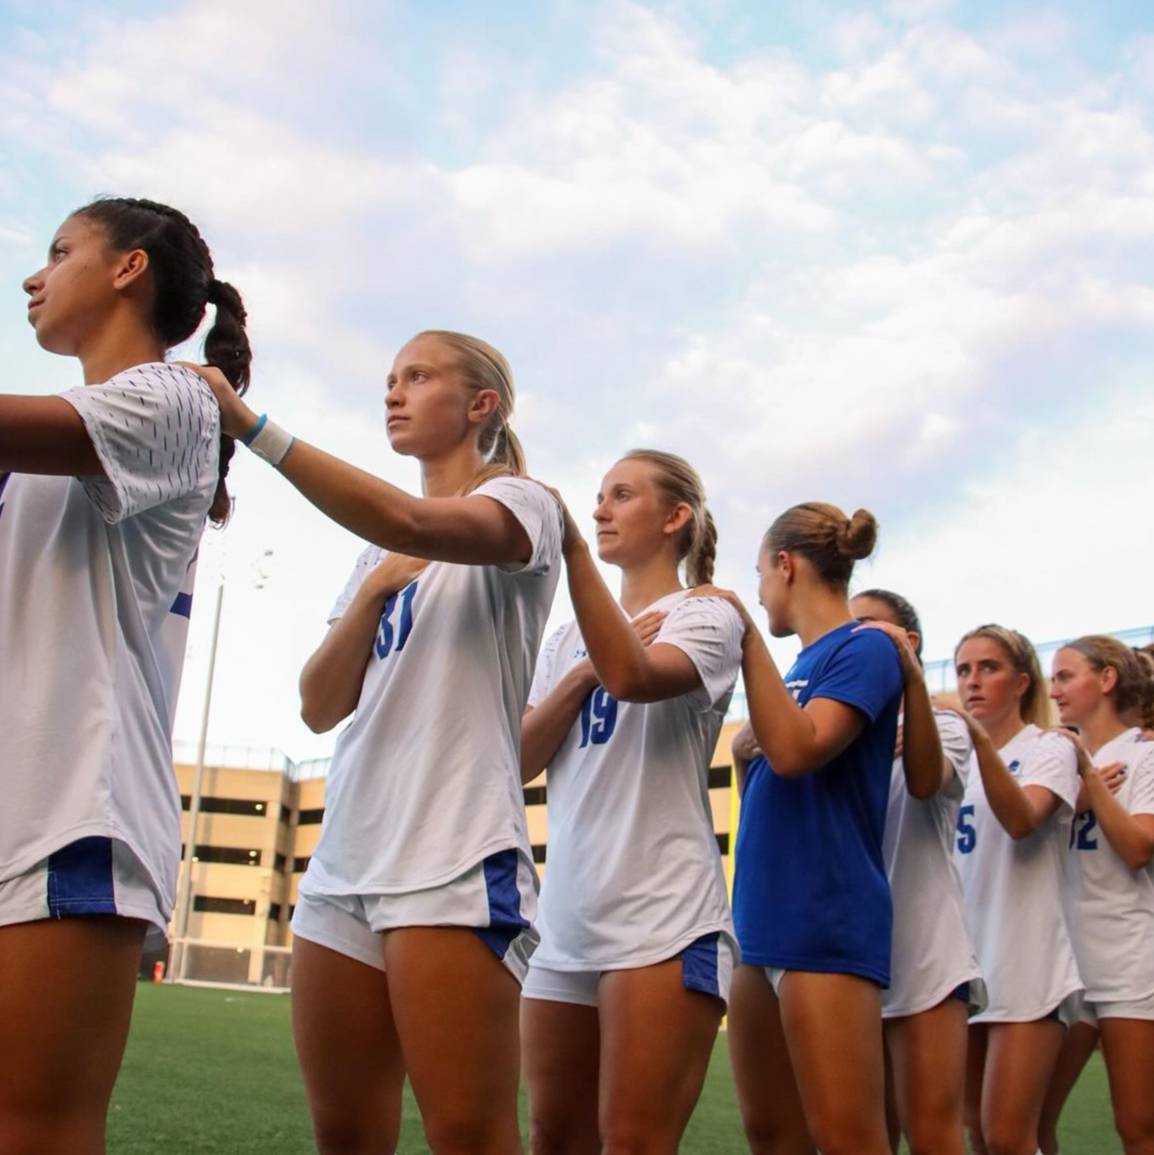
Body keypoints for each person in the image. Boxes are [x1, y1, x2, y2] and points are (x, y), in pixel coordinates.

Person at [194, 331, 561, 1154]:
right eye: (391, 379)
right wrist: (375, 589)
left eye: (418, 376)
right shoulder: (375, 550)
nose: (393, 392)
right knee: (346, 1134)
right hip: (346, 862)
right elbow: (319, 703)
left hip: (453, 855)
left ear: (481, 406)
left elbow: (408, 516)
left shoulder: (526, 503)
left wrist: (252, 428)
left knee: (468, 1133)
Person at [0, 197, 249, 1154]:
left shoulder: (173, 398)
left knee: (38, 1130)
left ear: (127, 269)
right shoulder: (36, 461)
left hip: (72, 806)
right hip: (25, 796)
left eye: (59, 252)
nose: (34, 275)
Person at [520, 450, 743, 1155]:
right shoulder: (562, 641)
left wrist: (577, 567)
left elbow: (636, 673)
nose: (599, 509)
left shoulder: (706, 612)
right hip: (567, 919)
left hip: (665, 917)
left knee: (635, 1141)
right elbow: (520, 758)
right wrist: (580, 673)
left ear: (676, 517)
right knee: (555, 1136)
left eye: (622, 495)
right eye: (597, 497)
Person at [696, 503, 905, 1155]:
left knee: (848, 1136)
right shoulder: (795, 671)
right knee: (771, 1134)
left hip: (826, 918)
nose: (758, 593)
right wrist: (737, 753)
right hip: (760, 923)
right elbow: (769, 767)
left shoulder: (865, 646)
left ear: (786, 566)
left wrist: (747, 641)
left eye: (760, 574)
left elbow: (797, 751)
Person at [850, 590, 982, 1155]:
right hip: (854, 954)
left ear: (910, 642)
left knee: (933, 1135)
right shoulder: (839, 719)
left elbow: (927, 781)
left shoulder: (944, 722)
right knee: (865, 1136)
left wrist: (914, 687)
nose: (852, 635)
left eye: (867, 624)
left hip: (926, 953)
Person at [950, 625, 1082, 1155]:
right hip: (964, 959)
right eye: (963, 670)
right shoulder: (951, 758)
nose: (972, 682)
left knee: (1009, 1137)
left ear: (1023, 682)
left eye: (989, 668)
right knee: (978, 1134)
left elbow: (1023, 819)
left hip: (1026, 958)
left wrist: (978, 742)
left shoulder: (1050, 747)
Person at [1040, 637, 1154, 1155]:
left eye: (1065, 676)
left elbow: (1136, 848)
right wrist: (1078, 791)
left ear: (1106, 679)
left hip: (1127, 959)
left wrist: (1090, 782)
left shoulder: (1144, 753)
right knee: (1028, 1119)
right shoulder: (1057, 759)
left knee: (1137, 1125)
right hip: (1067, 964)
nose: (1054, 689)